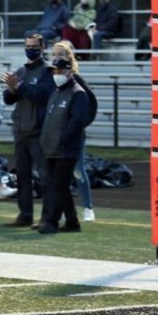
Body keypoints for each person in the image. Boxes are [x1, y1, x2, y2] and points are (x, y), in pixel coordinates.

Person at [1, 32, 55, 227]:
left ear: (43, 48)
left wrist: (18, 86)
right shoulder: (22, 71)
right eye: (28, 46)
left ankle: (48, 217)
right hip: (21, 130)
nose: (30, 50)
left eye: (34, 47)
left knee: (45, 176)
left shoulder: (48, 71)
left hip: (38, 131)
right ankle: (25, 214)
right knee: (22, 176)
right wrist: (12, 88)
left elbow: (42, 95)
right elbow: (9, 98)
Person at [37, 57, 90, 234]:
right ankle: (72, 222)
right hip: (52, 147)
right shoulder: (56, 92)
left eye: (60, 70)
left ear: (69, 71)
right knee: (60, 187)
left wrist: (64, 140)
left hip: (66, 149)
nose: (56, 74)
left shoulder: (77, 93)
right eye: (54, 71)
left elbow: (77, 122)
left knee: (58, 187)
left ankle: (51, 222)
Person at [52, 41, 98, 222]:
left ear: (68, 58)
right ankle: (63, 210)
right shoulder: (52, 77)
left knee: (77, 170)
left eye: (60, 54)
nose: (56, 58)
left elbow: (91, 103)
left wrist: (80, 124)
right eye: (54, 54)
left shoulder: (76, 80)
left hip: (74, 134)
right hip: (55, 134)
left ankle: (88, 207)